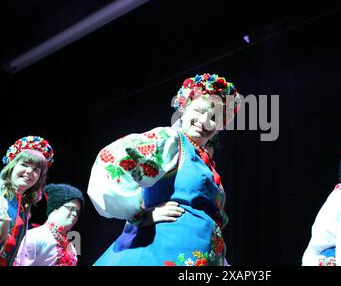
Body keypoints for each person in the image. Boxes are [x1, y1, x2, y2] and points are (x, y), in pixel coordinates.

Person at [88, 73, 240, 266]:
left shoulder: (204, 162)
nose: (204, 122)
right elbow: (113, 160)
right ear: (184, 108)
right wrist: (140, 215)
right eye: (199, 111)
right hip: (163, 250)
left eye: (214, 118)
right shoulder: (171, 140)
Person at [0, 136, 54, 266]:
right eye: (24, 165)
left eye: (36, 170)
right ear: (12, 166)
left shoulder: (24, 209)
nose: (29, 172)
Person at [14, 183, 84, 266]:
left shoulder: (72, 249)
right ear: (55, 208)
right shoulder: (35, 236)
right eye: (71, 208)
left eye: (77, 212)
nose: (75, 214)